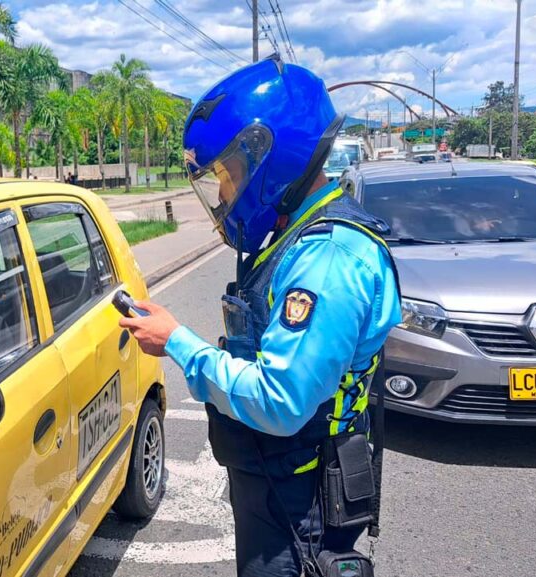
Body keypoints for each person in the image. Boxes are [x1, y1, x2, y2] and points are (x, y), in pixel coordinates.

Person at [120, 57, 402, 577]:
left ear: (268, 155)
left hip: (303, 502)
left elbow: (281, 400)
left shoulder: (328, 258)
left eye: (228, 176)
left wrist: (178, 342)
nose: (224, 195)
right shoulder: (298, 236)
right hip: (281, 484)